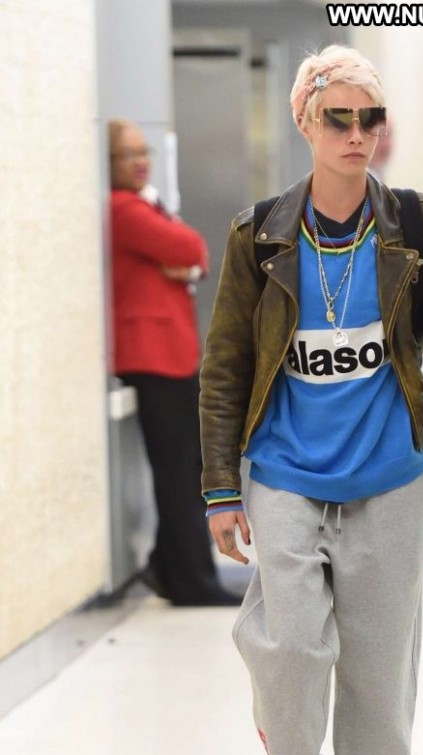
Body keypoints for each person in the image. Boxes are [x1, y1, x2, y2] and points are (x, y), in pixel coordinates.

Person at [199, 44, 423, 755]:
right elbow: (224, 368)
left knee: (377, 670)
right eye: (340, 117)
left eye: (372, 118)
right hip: (285, 471)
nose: (358, 133)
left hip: (390, 475)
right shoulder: (259, 235)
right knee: (287, 645)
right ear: (306, 120)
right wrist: (220, 488)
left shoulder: (416, 228)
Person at [108, 119, 241, 606]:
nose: (140, 162)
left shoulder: (143, 205)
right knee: (180, 473)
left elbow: (195, 255)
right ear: (108, 163)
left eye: (143, 152)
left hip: (170, 355)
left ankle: (168, 568)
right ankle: (191, 581)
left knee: (187, 467)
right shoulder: (123, 208)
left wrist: (186, 260)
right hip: (152, 358)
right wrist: (184, 258)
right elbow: (189, 246)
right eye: (128, 155)